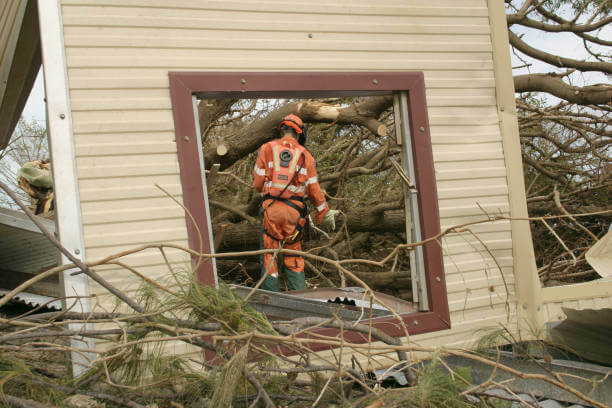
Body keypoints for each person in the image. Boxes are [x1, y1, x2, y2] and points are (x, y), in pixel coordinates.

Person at [252, 114, 338, 292]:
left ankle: (272, 301)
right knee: (294, 256)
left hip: (271, 211)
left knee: (269, 255)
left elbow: (258, 183)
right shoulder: (306, 155)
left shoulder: (267, 148)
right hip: (294, 215)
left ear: (281, 130)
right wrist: (324, 212)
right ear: (299, 134)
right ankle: (301, 298)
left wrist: (265, 191)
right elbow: (314, 190)